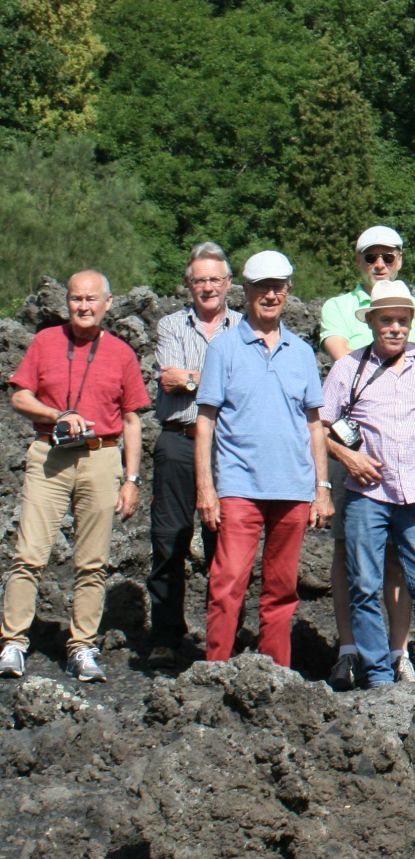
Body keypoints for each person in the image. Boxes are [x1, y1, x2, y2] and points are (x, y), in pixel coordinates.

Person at [1, 270, 149, 682]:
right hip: (49, 454)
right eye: (76, 299)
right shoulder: (45, 341)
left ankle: (82, 645)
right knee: (29, 554)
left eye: (91, 299)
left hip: (101, 457)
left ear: (108, 303)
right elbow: (19, 396)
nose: (83, 307)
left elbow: (132, 420)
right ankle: (13, 642)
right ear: (66, 302)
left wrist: (132, 479)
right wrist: (57, 415)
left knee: (93, 562)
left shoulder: (122, 353)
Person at [321, 281, 415, 688]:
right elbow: (317, 427)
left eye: (402, 321)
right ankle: (378, 679)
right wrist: (347, 456)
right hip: (366, 495)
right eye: (386, 320)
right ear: (371, 322)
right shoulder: (348, 368)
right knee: (364, 587)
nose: (395, 328)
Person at [194, 251, 328, 669]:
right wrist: (206, 488)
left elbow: (314, 425)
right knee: (227, 583)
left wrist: (322, 488)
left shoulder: (302, 352)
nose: (271, 295)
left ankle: (276, 675)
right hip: (240, 486)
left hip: (293, 488)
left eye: (278, 287)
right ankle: (214, 671)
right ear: (246, 291)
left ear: (288, 291)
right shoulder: (224, 348)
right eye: (262, 288)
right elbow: (205, 422)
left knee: (282, 589)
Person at [148, 242, 239, 663]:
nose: (208, 287)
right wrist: (221, 380)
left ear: (228, 283)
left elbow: (191, 380)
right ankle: (166, 636)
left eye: (215, 279)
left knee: (227, 542)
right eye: (200, 280)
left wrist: (192, 378)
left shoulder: (243, 327)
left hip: (229, 445)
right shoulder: (170, 325)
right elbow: (169, 380)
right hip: (177, 440)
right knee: (169, 539)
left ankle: (223, 638)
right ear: (188, 284)